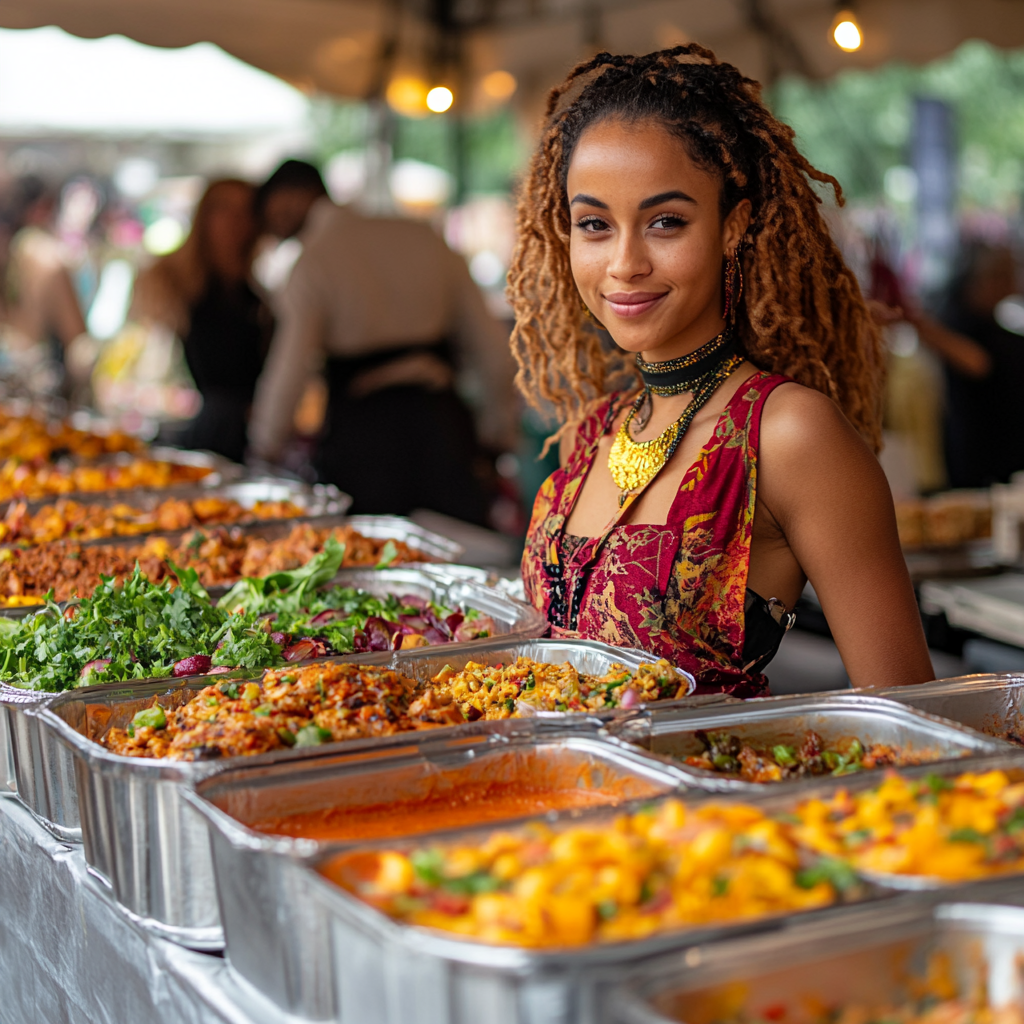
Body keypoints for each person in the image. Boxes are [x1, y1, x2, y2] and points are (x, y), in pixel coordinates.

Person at [511, 46, 934, 696]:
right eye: (594, 224)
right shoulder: (590, 431)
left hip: (706, 799)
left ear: (732, 226)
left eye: (666, 222)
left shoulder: (789, 434)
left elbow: (912, 713)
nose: (624, 262)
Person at [248, 160, 516, 523]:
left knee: (376, 559)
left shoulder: (314, 261)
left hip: (365, 438)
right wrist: (498, 431)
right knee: (459, 552)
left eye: (274, 216)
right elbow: (491, 348)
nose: (275, 231)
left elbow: (288, 369)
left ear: (294, 199)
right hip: (441, 421)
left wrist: (264, 449)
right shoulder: (421, 236)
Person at [131, 179, 271, 463]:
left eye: (246, 211)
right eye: (224, 209)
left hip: (234, 445)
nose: (235, 221)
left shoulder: (257, 300)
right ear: (203, 215)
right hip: (177, 438)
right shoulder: (165, 281)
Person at [902, 243, 1024, 488]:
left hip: (1001, 445)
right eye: (1007, 273)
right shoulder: (956, 318)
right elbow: (978, 363)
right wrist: (911, 319)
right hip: (980, 449)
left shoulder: (990, 322)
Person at [0, 175, 90, 397]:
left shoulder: (19, 252)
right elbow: (80, 345)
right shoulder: (47, 257)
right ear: (44, 207)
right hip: (36, 396)